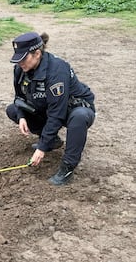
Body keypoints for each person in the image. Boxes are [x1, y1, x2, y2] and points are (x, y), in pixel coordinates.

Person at [6, 31, 96, 185]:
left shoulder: (56, 71)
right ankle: (52, 141)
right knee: (13, 110)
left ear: (37, 54)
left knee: (79, 117)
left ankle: (68, 167)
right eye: (17, 59)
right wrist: (21, 116)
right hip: (47, 106)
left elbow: (57, 114)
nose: (20, 63)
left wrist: (41, 149)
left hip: (72, 107)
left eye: (23, 58)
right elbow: (19, 97)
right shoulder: (21, 69)